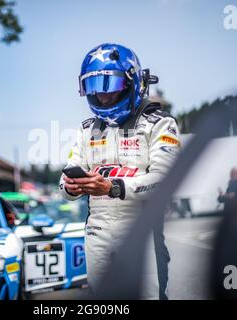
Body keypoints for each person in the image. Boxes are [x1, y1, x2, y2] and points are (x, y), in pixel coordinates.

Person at [59, 43, 181, 299]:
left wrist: (113, 187)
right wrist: (69, 187)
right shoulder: (87, 129)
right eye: (94, 88)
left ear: (131, 82)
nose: (102, 96)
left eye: (109, 87)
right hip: (97, 229)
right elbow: (67, 177)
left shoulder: (160, 123)